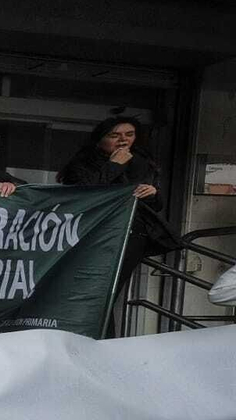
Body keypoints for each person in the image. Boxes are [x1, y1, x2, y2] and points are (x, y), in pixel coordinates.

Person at [59, 116, 181, 331]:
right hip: (95, 234)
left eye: (129, 135)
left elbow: (155, 205)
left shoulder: (143, 162)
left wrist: (153, 193)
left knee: (108, 291)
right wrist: (114, 165)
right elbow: (86, 196)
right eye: (115, 135)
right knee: (91, 291)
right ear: (99, 140)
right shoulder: (83, 164)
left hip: (132, 233)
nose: (123, 140)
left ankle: (102, 339)